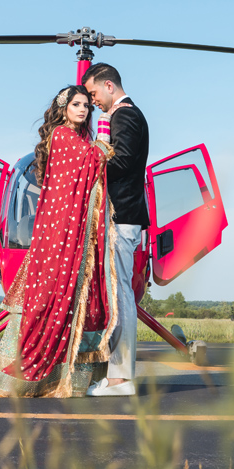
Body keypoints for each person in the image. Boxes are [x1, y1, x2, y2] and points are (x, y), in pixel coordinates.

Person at [0, 85, 120, 398]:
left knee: (64, 293)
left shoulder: (70, 138)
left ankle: (68, 373)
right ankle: (41, 373)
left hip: (60, 229)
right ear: (63, 109)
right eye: (77, 105)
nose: (83, 110)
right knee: (52, 293)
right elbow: (94, 160)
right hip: (60, 231)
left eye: (87, 105)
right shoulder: (63, 136)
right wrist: (105, 123)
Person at [81, 63, 149, 397]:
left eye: (93, 93)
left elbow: (120, 162)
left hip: (122, 217)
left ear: (109, 85)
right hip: (123, 217)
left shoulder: (126, 116)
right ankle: (115, 374)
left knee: (121, 297)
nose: (92, 101)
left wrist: (86, 157)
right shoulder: (127, 116)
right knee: (117, 295)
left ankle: (121, 378)